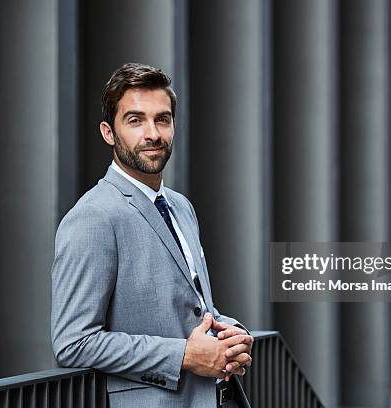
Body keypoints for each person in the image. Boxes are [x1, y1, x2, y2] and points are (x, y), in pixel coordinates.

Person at [51, 62, 253, 407]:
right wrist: (184, 356)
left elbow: (188, 307)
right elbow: (73, 342)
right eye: (135, 120)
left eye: (162, 119)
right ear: (108, 132)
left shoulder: (180, 206)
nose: (153, 134)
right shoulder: (92, 217)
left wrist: (231, 333)